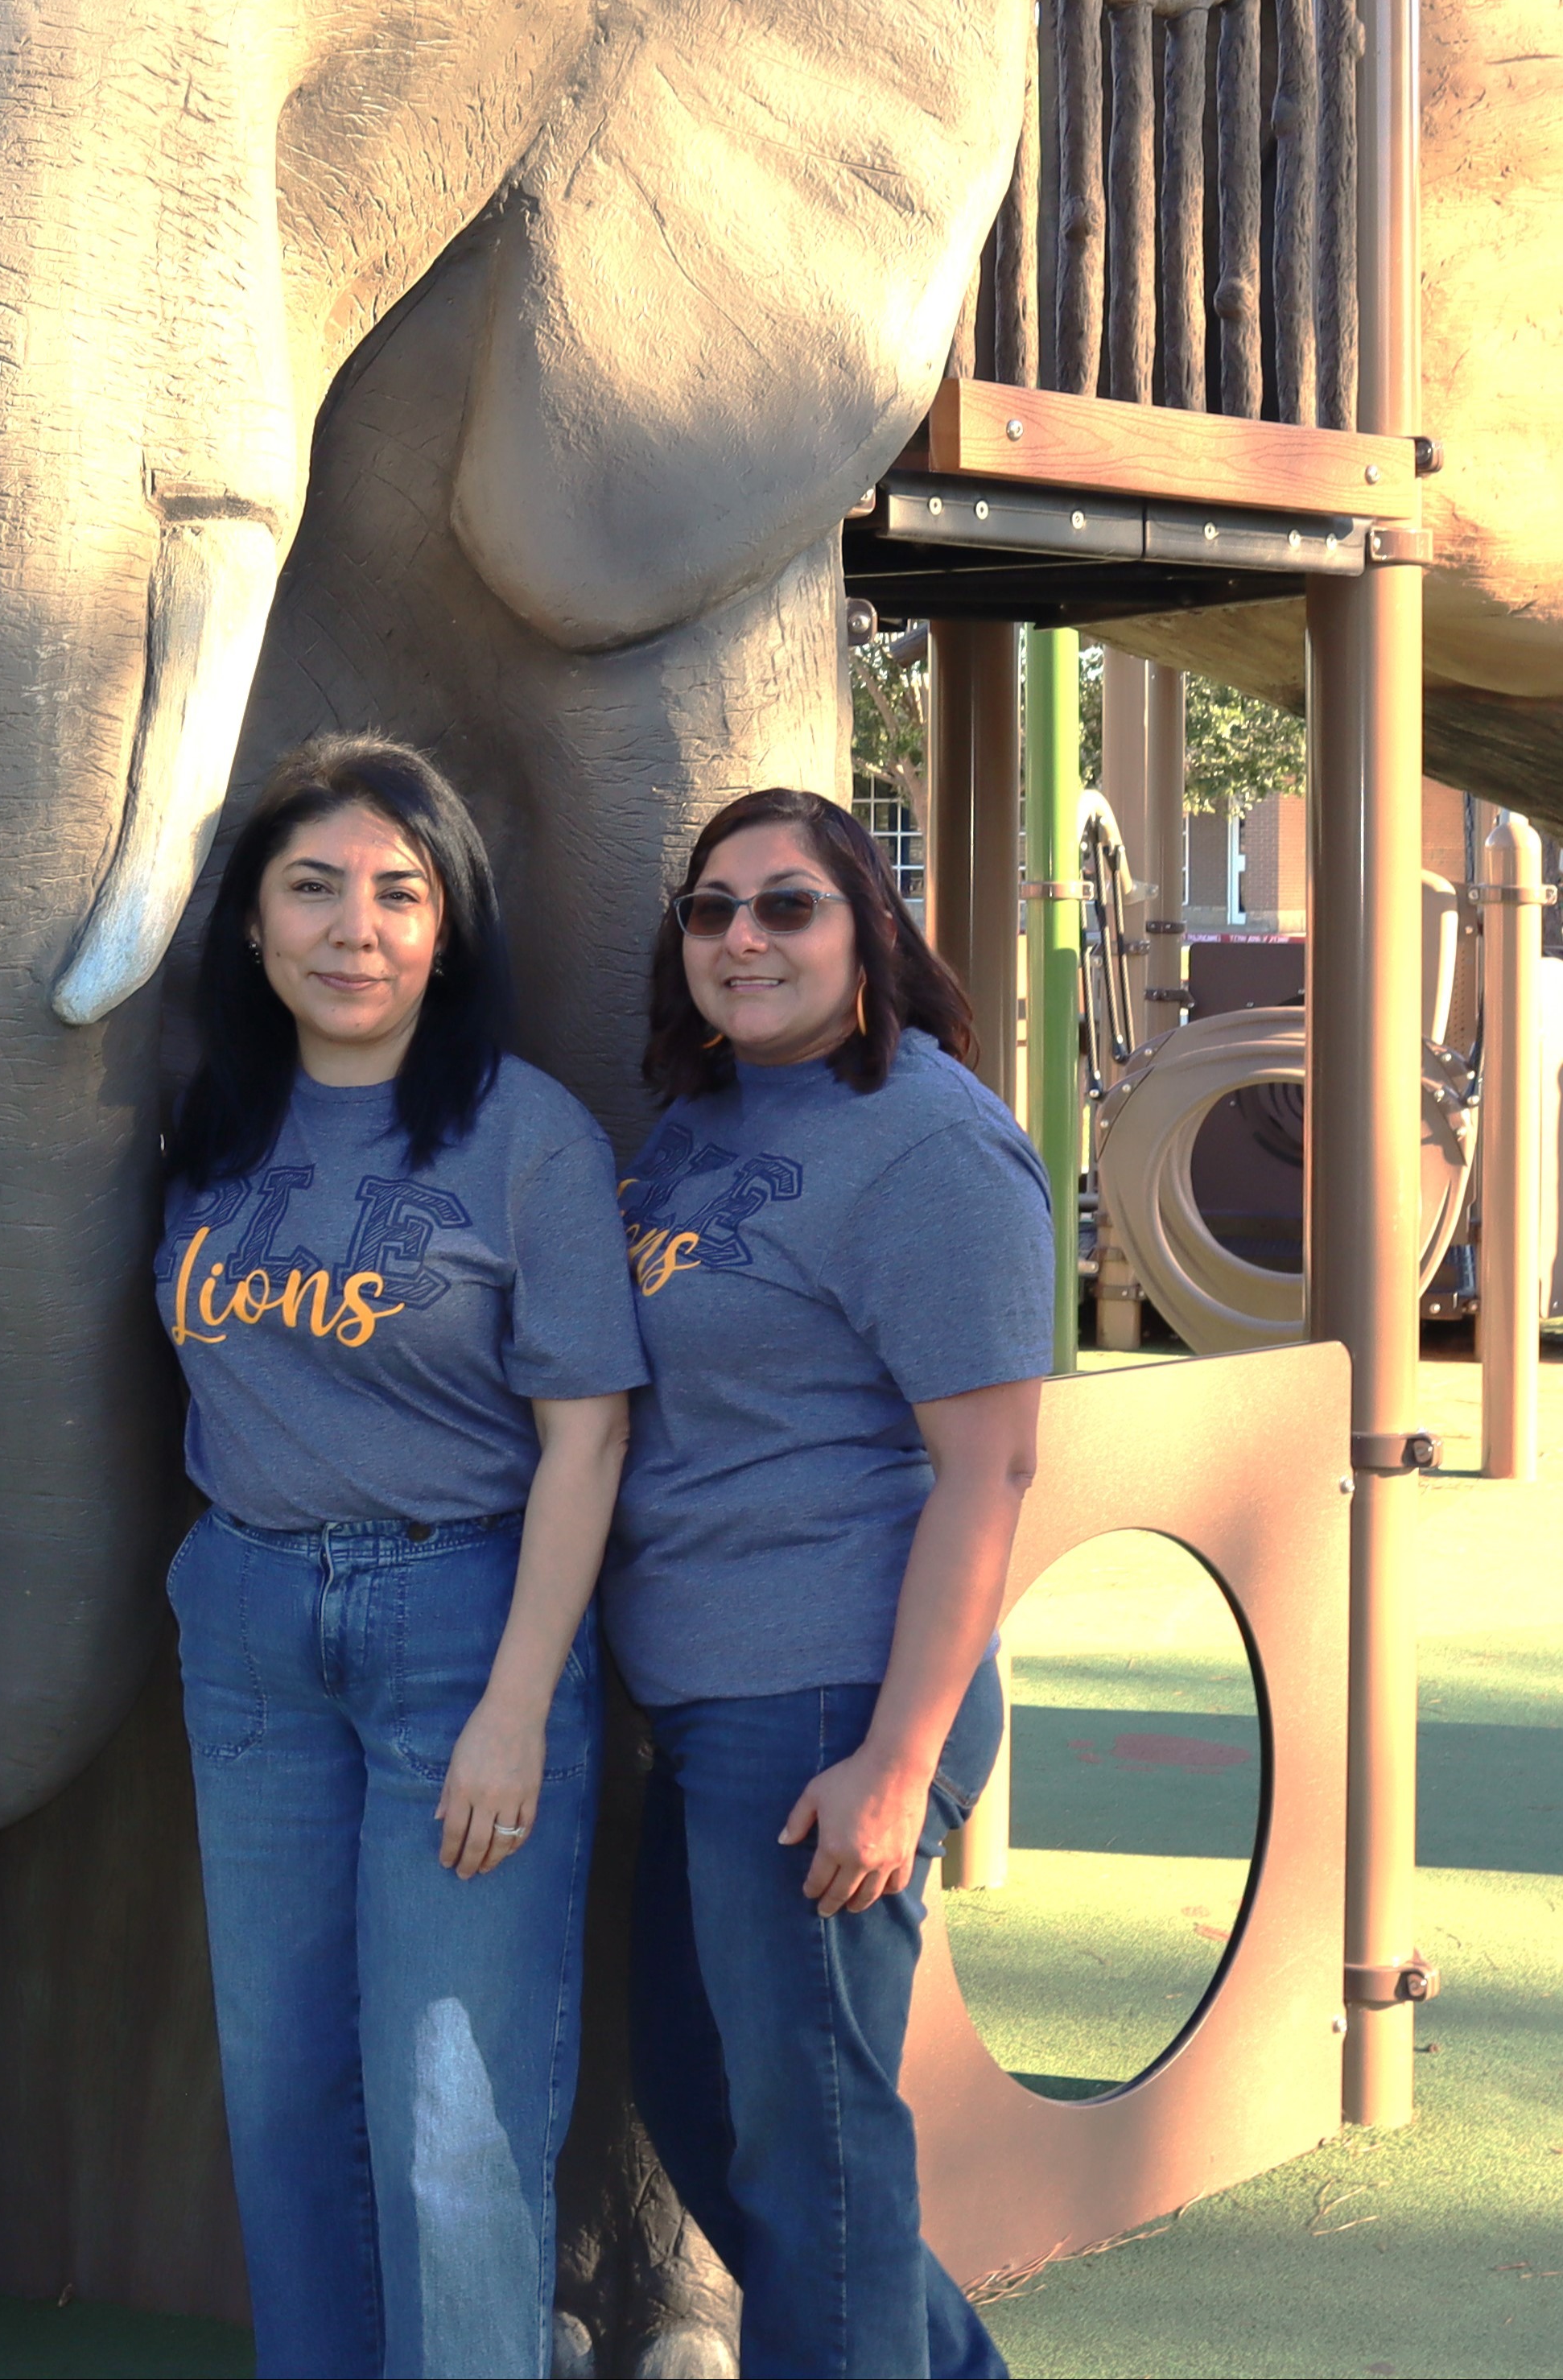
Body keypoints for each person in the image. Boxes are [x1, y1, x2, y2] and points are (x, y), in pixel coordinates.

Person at [156, 737, 645, 2380]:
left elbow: (585, 1437)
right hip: (242, 1623)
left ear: (447, 930)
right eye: (309, 888)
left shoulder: (526, 1142)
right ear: (247, 926)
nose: (351, 929)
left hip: (461, 1624)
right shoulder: (207, 1134)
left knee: (451, 2098)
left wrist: (516, 1707)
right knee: (280, 2084)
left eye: (395, 891)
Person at [606, 786, 1050, 2380]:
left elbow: (986, 1469)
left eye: (785, 905)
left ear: (868, 927)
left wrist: (893, 1760)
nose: (741, 937)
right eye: (710, 908)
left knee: (814, 2153)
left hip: (827, 1703)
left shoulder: (927, 1142)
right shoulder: (702, 1127)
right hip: (710, 1703)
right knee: (707, 2102)